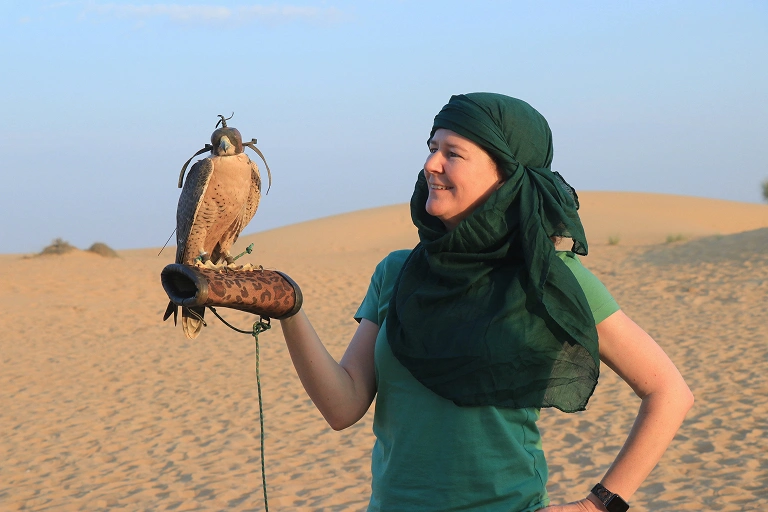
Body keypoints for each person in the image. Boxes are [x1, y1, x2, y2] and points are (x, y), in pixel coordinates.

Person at [279, 93, 693, 511]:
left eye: (453, 153)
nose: (431, 164)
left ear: (506, 175)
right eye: (432, 148)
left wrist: (598, 504)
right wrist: (290, 310)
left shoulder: (550, 279)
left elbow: (668, 392)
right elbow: (343, 406)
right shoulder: (396, 272)